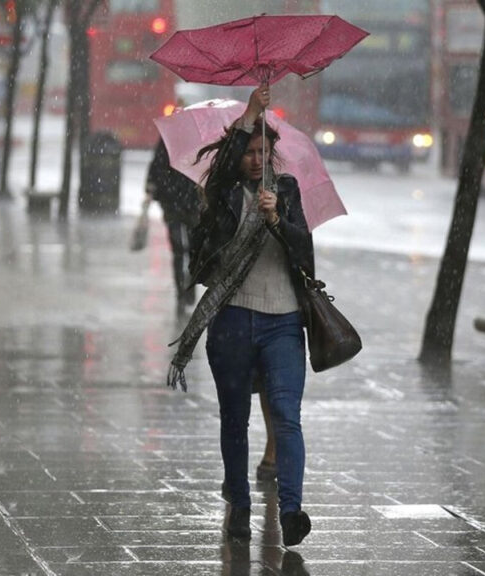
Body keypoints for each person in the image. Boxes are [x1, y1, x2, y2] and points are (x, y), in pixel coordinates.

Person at [167, 84, 314, 546]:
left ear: (273, 154)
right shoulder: (225, 193)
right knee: (235, 418)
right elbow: (221, 180)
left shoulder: (286, 191)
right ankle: (240, 507)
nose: (255, 158)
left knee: (286, 417)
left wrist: (278, 221)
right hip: (232, 320)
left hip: (284, 321)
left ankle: (291, 510)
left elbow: (306, 253)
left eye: (262, 150)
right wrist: (250, 114)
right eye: (248, 151)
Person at [145, 138, 201, 311]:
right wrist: (152, 187)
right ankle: (180, 292)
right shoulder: (168, 140)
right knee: (178, 247)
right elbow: (157, 165)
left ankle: (189, 284)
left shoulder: (200, 142)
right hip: (173, 202)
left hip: (192, 203)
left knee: (193, 248)